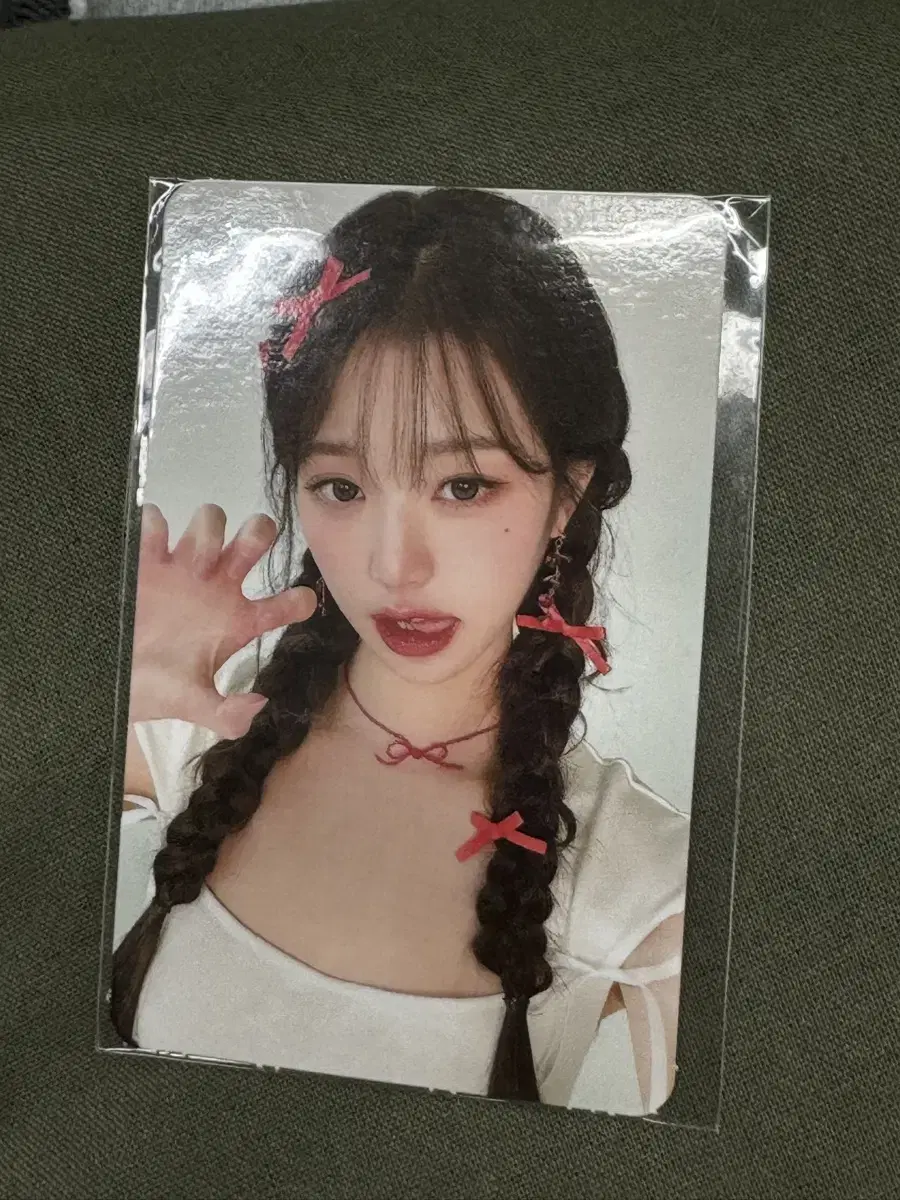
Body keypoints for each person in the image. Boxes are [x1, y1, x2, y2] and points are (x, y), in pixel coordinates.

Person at [112, 186, 690, 1114]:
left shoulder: (644, 883)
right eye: (341, 487)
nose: (393, 566)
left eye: (463, 486)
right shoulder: (192, 723)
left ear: (569, 492)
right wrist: (93, 682)